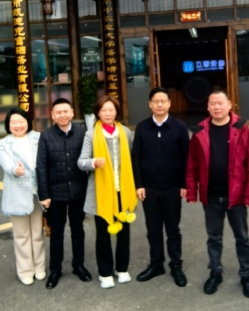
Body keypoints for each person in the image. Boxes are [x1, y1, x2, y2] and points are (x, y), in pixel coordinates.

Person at [186, 89, 249, 298]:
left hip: (236, 195)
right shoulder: (199, 131)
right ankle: (215, 272)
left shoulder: (241, 128)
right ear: (208, 107)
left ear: (229, 105)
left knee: (242, 237)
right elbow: (192, 164)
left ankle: (246, 275)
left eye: (220, 103)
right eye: (213, 103)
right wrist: (191, 192)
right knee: (214, 238)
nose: (217, 107)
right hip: (211, 196)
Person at [132, 87, 191, 287]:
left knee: (173, 229)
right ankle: (156, 264)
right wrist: (139, 184)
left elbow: (186, 157)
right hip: (149, 188)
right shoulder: (142, 127)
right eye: (155, 101)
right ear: (150, 104)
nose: (159, 104)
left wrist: (184, 184)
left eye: (163, 101)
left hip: (173, 187)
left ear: (169, 103)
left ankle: (176, 265)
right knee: (153, 229)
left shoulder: (179, 127)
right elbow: (136, 157)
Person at [77, 95, 138, 289]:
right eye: (104, 110)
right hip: (101, 192)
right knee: (103, 234)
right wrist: (94, 162)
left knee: (124, 232)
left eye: (111, 109)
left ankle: (122, 269)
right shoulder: (91, 134)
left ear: (116, 111)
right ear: (98, 112)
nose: (108, 113)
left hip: (123, 190)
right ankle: (105, 273)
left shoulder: (125, 132)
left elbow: (131, 159)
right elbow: (81, 161)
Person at [36, 98, 92, 289]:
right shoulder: (46, 136)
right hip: (55, 193)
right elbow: (41, 167)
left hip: (78, 191)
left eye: (65, 111)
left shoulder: (83, 133)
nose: (62, 115)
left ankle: (79, 265)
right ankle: (55, 270)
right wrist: (44, 195)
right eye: (58, 112)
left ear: (72, 112)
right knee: (57, 233)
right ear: (52, 115)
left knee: (78, 230)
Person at [0, 107, 45, 285]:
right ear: (8, 125)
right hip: (17, 195)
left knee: (37, 233)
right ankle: (25, 270)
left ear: (28, 122)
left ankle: (40, 267)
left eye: (21, 121)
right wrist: (15, 170)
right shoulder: (3, 144)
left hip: (37, 193)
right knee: (21, 235)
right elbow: (7, 164)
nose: (18, 125)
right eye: (14, 122)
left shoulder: (38, 138)